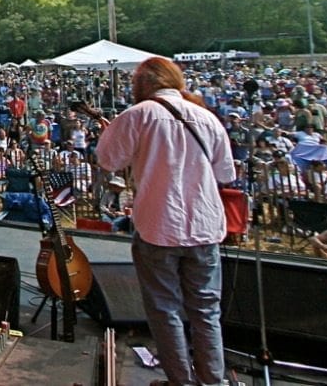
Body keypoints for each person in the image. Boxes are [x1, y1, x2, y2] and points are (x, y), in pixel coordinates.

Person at [95, 57, 235, 386]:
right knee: (205, 310)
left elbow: (107, 159)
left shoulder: (138, 115)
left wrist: (113, 135)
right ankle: (212, 381)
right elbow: (226, 173)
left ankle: (180, 381)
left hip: (159, 226)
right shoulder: (206, 117)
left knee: (165, 310)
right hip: (204, 227)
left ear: (143, 85)